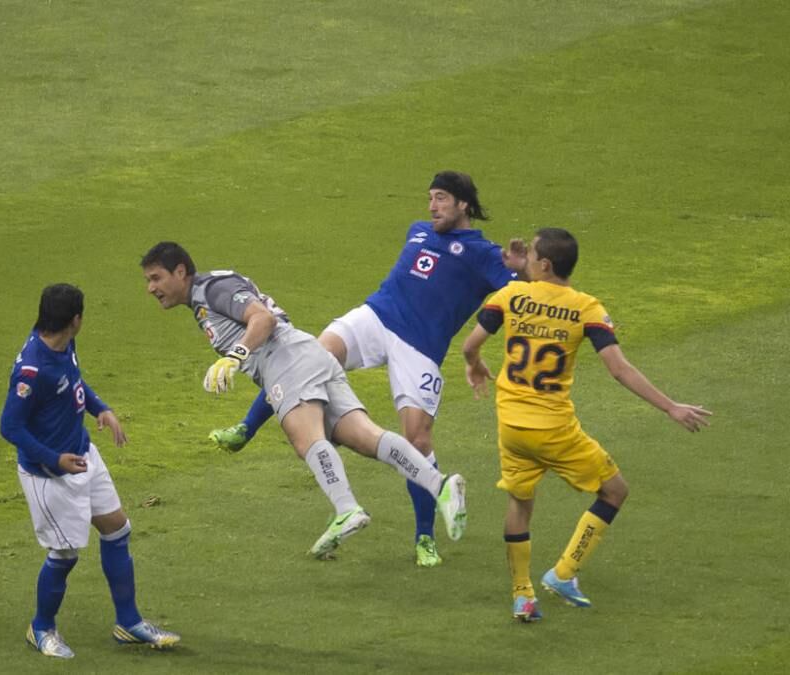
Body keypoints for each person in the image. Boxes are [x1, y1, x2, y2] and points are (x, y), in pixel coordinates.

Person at [209, 170, 527, 567]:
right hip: (376, 317)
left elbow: (524, 294)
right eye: (430, 198)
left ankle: (425, 538)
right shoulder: (418, 230)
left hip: (420, 346)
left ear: (464, 204)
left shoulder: (483, 254)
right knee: (310, 356)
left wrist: (521, 269)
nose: (432, 207)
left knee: (418, 439)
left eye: (442, 198)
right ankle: (245, 428)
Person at [141, 242, 467, 561]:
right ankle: (440, 486)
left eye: (155, 278)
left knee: (306, 439)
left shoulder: (212, 288)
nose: (151, 288)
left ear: (180, 271)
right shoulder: (205, 295)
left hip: (285, 359)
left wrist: (235, 355)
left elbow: (262, 319)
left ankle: (346, 509)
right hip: (307, 354)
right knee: (367, 437)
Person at [460, 228, 711, 622]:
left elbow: (470, 346)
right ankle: (564, 573)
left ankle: (522, 595)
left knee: (519, 503)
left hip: (511, 425)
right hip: (555, 431)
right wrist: (670, 407)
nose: (523, 257)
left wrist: (475, 367)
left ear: (544, 265)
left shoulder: (508, 297)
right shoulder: (586, 308)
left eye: (531, 255)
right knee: (614, 491)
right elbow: (618, 369)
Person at [0, 283, 179, 659]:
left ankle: (129, 623)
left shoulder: (63, 343)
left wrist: (101, 409)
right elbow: (10, 428)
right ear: (76, 320)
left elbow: (74, 384)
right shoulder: (32, 370)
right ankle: (41, 627)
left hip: (83, 455)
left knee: (117, 529)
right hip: (49, 474)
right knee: (64, 556)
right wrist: (54, 458)